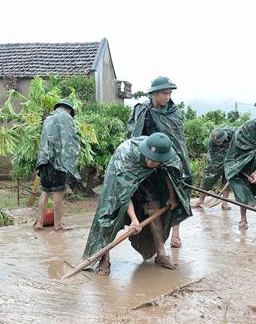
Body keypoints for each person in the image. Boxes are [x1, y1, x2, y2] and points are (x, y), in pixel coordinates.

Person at [81, 133, 191, 275]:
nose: (152, 162)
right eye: (150, 159)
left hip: (147, 178)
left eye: (156, 161)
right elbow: (124, 193)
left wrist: (171, 196)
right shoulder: (126, 154)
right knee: (109, 217)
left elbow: (168, 173)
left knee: (154, 208)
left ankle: (161, 255)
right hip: (120, 179)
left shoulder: (168, 155)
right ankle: (104, 258)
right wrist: (133, 219)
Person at [127, 76, 191, 248]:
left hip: (168, 159)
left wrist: (174, 162)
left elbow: (178, 140)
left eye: (170, 93)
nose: (168, 97)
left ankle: (175, 234)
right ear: (154, 93)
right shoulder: (141, 110)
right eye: (165, 93)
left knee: (177, 192)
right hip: (145, 160)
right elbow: (132, 134)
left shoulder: (173, 113)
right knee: (145, 198)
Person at [33, 99, 80, 231]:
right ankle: (58, 225)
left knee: (45, 191)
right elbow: (70, 140)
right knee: (58, 192)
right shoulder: (66, 118)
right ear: (69, 110)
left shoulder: (49, 118)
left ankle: (39, 223)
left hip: (44, 160)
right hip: (57, 161)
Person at [192, 127, 235, 210]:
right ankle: (200, 200)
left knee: (227, 179)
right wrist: (211, 167)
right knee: (207, 178)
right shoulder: (212, 140)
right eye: (216, 142)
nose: (217, 143)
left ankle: (224, 202)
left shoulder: (233, 133)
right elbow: (211, 155)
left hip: (230, 157)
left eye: (219, 142)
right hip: (216, 159)